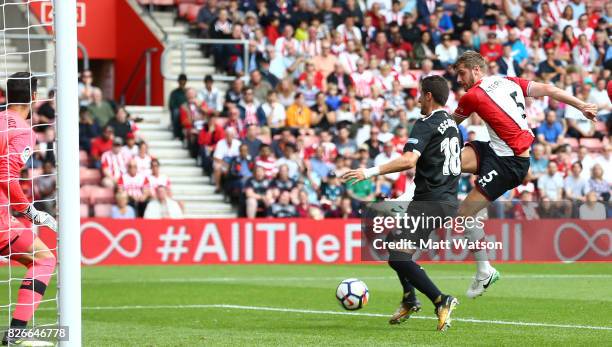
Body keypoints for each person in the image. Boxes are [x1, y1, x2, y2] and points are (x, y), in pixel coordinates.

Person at [450, 51, 597, 298]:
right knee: (448, 162)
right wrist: (581, 105)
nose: (459, 80)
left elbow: (449, 124)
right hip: (495, 150)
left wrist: (423, 133)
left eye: (462, 73)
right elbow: (550, 89)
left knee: (464, 213)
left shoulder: (472, 96)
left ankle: (484, 271)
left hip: (510, 164)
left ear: (477, 70)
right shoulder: (508, 81)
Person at [342, 75, 459, 331]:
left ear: (428, 96)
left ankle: (441, 299)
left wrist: (369, 172)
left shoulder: (426, 122)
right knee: (393, 241)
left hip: (430, 201)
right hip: (444, 199)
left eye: (419, 93)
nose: (417, 98)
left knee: (397, 256)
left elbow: (408, 161)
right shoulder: (451, 122)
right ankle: (409, 297)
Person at [0, 72, 57, 346]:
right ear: (34, 97)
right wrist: (29, 211)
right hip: (1, 218)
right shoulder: (23, 131)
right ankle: (16, 334)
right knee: (44, 258)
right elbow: (6, 176)